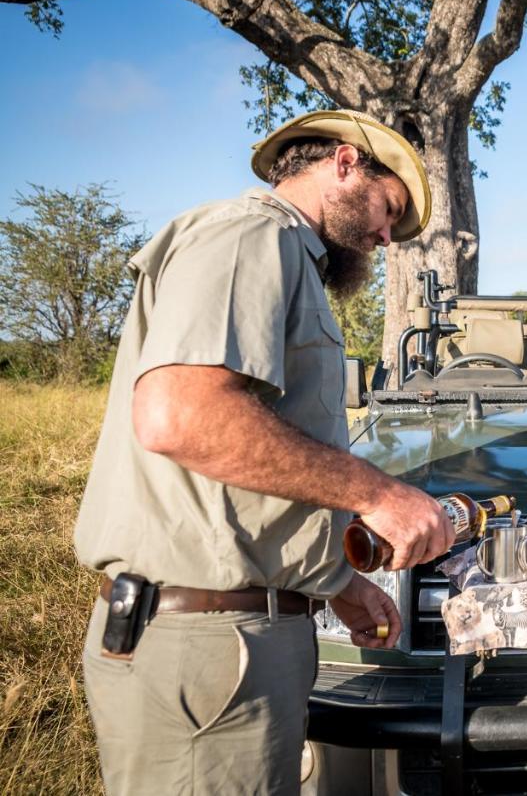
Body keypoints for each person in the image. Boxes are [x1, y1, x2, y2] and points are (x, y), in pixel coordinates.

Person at [75, 110, 454, 794]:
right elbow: (181, 415)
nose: (384, 237)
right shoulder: (254, 235)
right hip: (210, 647)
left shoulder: (289, 257)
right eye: (387, 210)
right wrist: (378, 494)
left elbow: (242, 468)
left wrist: (335, 581)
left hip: (234, 633)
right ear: (345, 163)